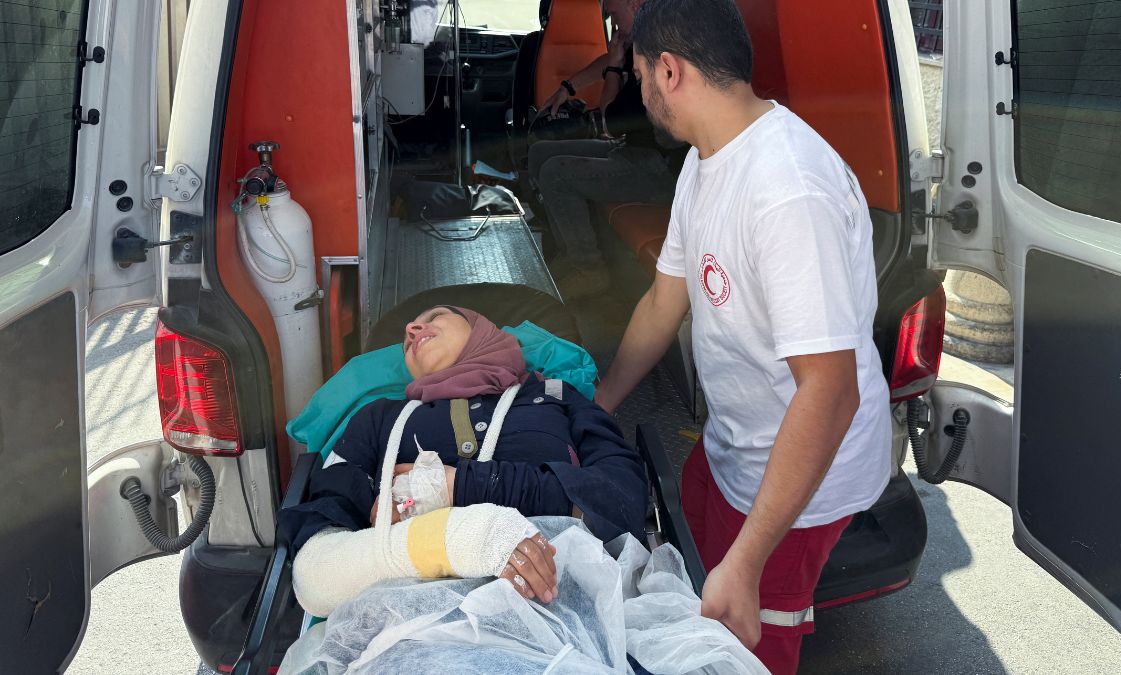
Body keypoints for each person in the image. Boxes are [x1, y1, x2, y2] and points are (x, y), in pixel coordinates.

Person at [593, 0, 891, 672]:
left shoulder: (786, 189)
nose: (638, 90)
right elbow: (664, 299)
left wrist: (748, 560)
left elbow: (831, 391)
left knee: (746, 643)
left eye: (639, 74)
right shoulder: (707, 160)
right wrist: (601, 402)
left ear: (669, 71)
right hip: (735, 439)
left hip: (804, 471)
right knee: (688, 558)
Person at [278, 305, 647, 617]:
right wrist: (465, 539)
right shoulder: (378, 419)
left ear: (479, 328)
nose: (412, 330)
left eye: (435, 316)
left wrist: (459, 487)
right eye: (408, 336)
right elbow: (316, 574)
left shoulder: (555, 396)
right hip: (412, 636)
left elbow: (622, 503)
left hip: (563, 616)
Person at [530, 0, 686, 300]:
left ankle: (589, 270)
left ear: (635, 6)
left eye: (613, 14)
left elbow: (609, 122)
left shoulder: (659, 54)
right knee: (541, 153)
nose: (612, 22)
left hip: (660, 170)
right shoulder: (643, 39)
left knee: (555, 173)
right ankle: (568, 253)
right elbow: (608, 60)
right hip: (634, 151)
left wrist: (615, 65)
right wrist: (567, 88)